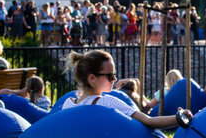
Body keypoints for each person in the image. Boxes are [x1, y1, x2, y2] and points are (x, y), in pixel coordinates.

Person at [61, 50, 192, 128]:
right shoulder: (107, 103)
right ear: (92, 78)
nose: (114, 79)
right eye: (110, 75)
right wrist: (179, 118)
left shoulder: (67, 104)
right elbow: (149, 121)